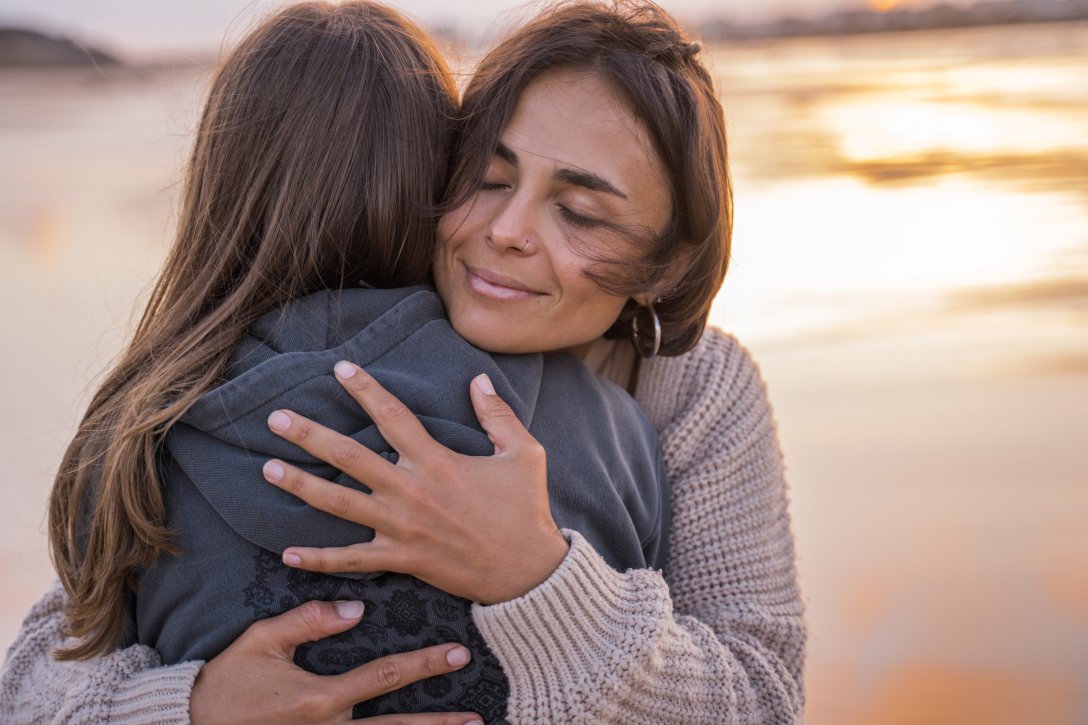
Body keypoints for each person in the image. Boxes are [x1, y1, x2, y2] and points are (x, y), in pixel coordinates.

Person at [1, 1, 806, 723]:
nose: (508, 230)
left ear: (666, 266)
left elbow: (764, 697)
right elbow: (36, 676)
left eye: (582, 212)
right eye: (488, 179)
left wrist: (537, 576)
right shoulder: (239, 384)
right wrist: (194, 707)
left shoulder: (689, 387)